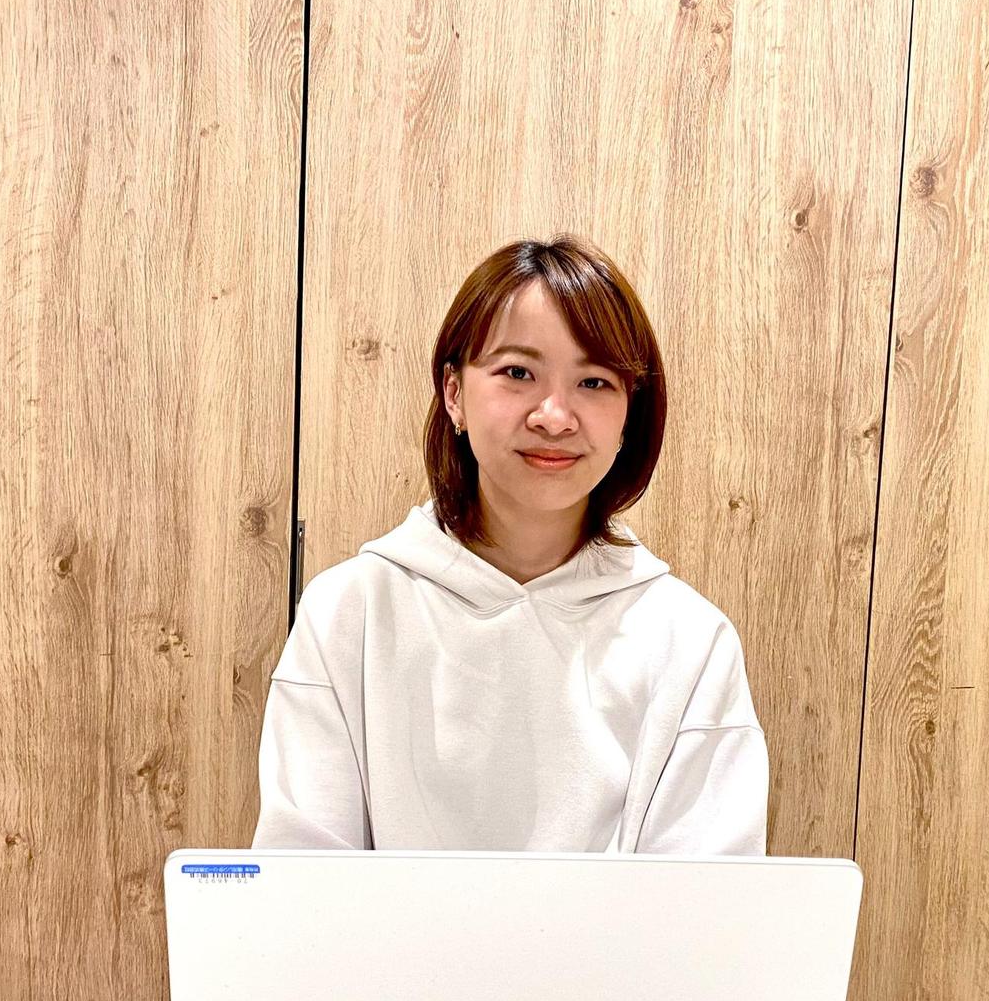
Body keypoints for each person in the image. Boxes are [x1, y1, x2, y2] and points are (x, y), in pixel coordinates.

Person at [251, 234, 768, 854]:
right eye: (517, 373)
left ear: (630, 414)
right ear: (454, 393)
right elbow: (301, 882)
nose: (554, 416)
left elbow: (707, 898)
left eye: (594, 382)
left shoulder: (690, 641)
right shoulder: (350, 613)